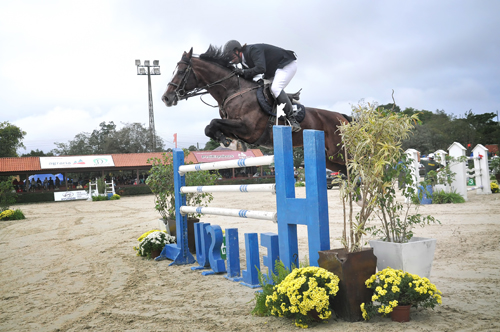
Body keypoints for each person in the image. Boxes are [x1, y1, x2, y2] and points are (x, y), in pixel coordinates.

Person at [223, 40, 301, 132]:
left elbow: (260, 68)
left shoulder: (253, 50)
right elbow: (249, 76)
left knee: (275, 88)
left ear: (237, 51)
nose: (231, 60)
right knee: (261, 88)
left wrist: (243, 72)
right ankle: (289, 97)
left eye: (231, 56)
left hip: (286, 65)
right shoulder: (244, 62)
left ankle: (292, 120)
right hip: (273, 71)